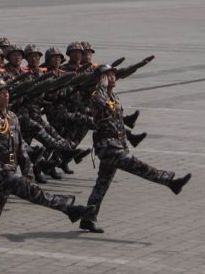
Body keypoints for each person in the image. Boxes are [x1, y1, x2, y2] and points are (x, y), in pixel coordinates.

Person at [0, 82, 85, 270]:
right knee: (33, 192)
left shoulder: (12, 117)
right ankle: (67, 207)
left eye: (7, 93)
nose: (6, 96)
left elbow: (21, 148)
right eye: (1, 94)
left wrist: (28, 171)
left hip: (10, 168)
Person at [76, 63, 188, 231]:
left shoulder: (113, 96)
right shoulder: (97, 96)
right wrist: (101, 88)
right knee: (139, 166)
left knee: (102, 184)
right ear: (100, 79)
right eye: (108, 75)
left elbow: (118, 123)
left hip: (116, 146)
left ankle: (87, 218)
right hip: (108, 148)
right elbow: (102, 107)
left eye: (113, 74)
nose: (112, 77)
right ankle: (170, 181)